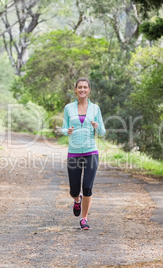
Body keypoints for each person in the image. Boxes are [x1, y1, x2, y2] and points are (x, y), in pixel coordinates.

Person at [61, 77, 106, 230]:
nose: (82, 90)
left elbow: (103, 132)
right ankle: (77, 200)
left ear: (89, 90)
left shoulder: (95, 109)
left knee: (87, 187)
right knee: (74, 189)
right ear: (75, 89)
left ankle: (84, 219)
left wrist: (97, 126)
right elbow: (63, 127)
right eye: (80, 87)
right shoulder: (68, 108)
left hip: (91, 152)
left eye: (85, 87)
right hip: (73, 153)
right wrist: (66, 131)